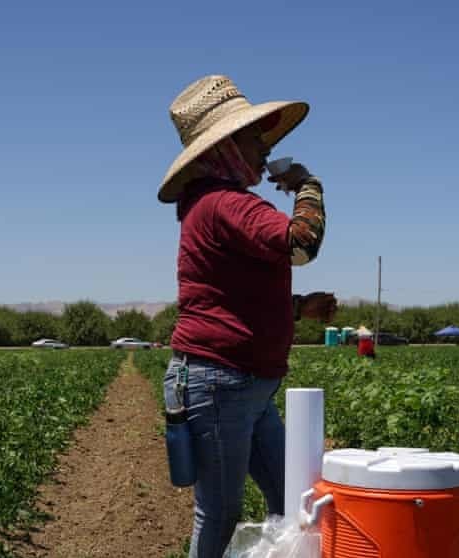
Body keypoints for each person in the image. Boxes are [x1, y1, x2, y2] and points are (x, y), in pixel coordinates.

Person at [157, 75, 337, 557]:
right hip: (220, 382)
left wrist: (298, 308)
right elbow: (301, 244)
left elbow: (229, 297)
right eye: (253, 137)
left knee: (290, 497)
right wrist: (308, 185)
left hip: (244, 385)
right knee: (218, 514)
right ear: (227, 145)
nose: (263, 147)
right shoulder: (225, 203)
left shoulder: (213, 205)